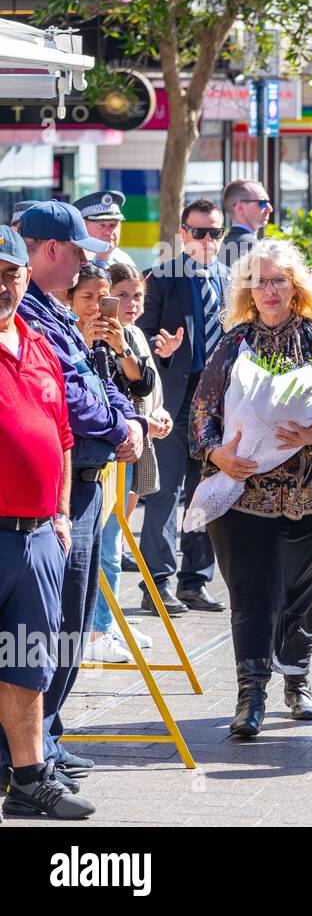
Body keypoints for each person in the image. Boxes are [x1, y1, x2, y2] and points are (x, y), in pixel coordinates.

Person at [194, 240, 312, 736]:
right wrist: (216, 452)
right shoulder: (233, 341)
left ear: (295, 286)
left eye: (278, 280)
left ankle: (297, 679)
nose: (268, 289)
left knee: (301, 594)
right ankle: (251, 696)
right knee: (251, 593)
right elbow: (202, 412)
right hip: (244, 494)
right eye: (259, 281)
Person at [11, 202, 144, 785]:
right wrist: (121, 428)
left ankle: (47, 739)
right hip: (46, 503)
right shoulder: (33, 315)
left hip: (80, 485)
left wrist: (127, 420)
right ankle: (27, 753)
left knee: (66, 626)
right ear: (51, 251)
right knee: (42, 634)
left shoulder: (52, 314)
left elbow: (96, 380)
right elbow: (72, 398)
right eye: (79, 254)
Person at [0, 224, 95, 820]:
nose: (1, 286)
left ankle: (29, 777)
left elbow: (61, 436)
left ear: (26, 275)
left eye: (9, 274)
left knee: (28, 663)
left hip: (37, 535)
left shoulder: (36, 343)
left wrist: (60, 513)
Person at [66, 264, 168, 664]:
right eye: (88, 298)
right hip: (83, 463)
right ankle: (94, 631)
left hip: (119, 454)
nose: (100, 307)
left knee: (109, 546)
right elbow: (81, 400)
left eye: (102, 298)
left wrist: (135, 422)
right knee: (97, 550)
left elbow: (134, 385)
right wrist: (126, 426)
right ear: (69, 299)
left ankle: (103, 625)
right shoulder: (65, 336)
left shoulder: (115, 337)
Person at [138, 198, 230, 616]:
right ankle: (156, 583)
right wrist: (167, 351)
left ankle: (196, 581)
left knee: (205, 494)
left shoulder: (233, 279)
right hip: (174, 402)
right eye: (199, 232)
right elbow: (138, 344)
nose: (207, 240)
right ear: (182, 234)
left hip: (218, 406)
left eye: (215, 232)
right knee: (165, 493)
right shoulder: (161, 278)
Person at [219, 179, 272, 271]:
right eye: (262, 203)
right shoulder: (254, 248)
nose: (269, 209)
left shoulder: (220, 247)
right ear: (240, 208)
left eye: (268, 202)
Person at [72, 191, 134, 269]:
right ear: (84, 227)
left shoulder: (125, 261)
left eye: (113, 225)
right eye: (102, 225)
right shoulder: (75, 263)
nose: (108, 232)